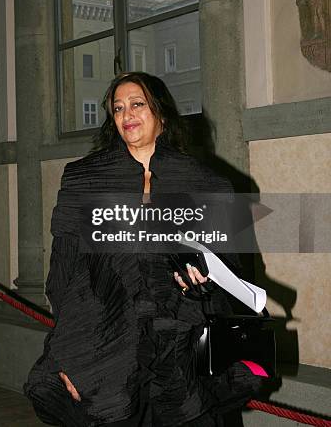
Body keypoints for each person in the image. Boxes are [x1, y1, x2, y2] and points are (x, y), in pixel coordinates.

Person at [24, 72, 264, 426]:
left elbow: (231, 271)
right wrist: (72, 350)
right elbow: (62, 272)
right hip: (110, 342)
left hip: (181, 341)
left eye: (137, 104)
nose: (126, 114)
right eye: (117, 108)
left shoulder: (204, 182)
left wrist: (200, 282)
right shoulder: (84, 179)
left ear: (161, 115)